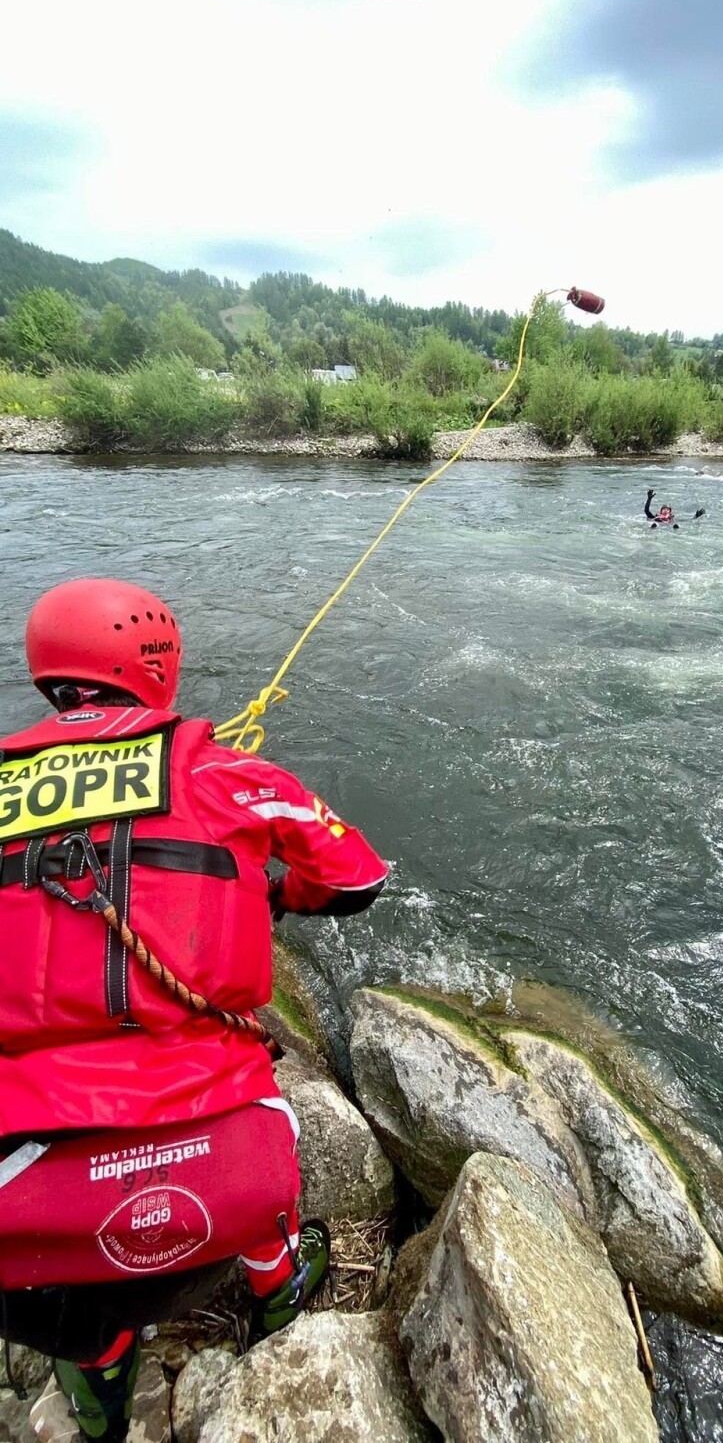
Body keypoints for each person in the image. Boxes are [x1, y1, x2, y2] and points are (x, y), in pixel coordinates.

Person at [0, 578, 389, 1441]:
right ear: (157, 665)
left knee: (77, 1315)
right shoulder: (223, 771)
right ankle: (279, 1292)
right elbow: (359, 876)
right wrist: (275, 896)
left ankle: (100, 1391)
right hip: (225, 1177)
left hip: (21, 1208)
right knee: (262, 1152)